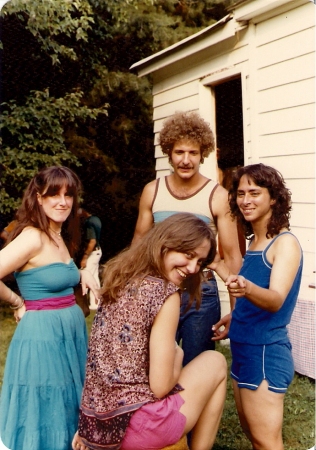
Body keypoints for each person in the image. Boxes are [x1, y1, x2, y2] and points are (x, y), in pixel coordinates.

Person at [72, 213, 227, 450]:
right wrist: (178, 356)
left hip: (103, 424)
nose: (193, 268)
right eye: (188, 255)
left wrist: (87, 426)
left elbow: (98, 366)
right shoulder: (165, 293)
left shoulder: (119, 279)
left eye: (200, 261)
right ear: (165, 244)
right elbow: (161, 386)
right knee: (215, 361)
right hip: (141, 427)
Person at [0, 166, 100, 450]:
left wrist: (82, 274)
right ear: (38, 198)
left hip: (68, 335)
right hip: (42, 339)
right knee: (47, 410)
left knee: (67, 406)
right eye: (53, 194)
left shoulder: (58, 235)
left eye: (69, 195)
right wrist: (18, 301)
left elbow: (52, 273)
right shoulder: (33, 236)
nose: (62, 201)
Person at [132, 111, 242, 365]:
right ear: (169, 152)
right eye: (179, 152)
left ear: (202, 154)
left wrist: (237, 311)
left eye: (193, 153)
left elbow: (233, 258)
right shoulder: (153, 191)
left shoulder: (218, 196)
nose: (186, 160)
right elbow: (137, 247)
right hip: (158, 290)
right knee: (156, 365)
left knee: (196, 366)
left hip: (201, 294)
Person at [213, 164, 303, 450]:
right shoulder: (255, 243)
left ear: (273, 198)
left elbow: (275, 299)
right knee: (254, 436)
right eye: (240, 194)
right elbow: (253, 297)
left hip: (264, 352)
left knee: (266, 442)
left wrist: (247, 289)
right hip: (243, 348)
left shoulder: (284, 243)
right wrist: (235, 317)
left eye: (255, 192)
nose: (245, 200)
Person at [78, 208, 102, 310]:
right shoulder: (96, 219)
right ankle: (96, 303)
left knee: (86, 276)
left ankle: (81, 303)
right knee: (94, 278)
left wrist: (85, 257)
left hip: (92, 253)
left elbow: (92, 241)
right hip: (98, 251)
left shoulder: (89, 222)